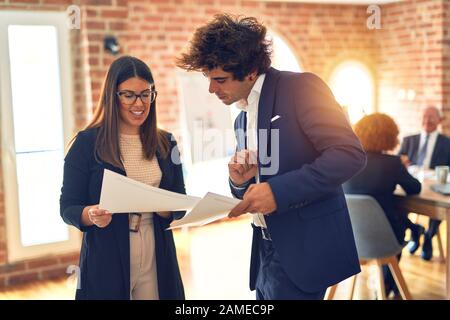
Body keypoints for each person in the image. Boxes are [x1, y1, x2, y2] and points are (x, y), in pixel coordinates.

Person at [176, 14, 366, 300]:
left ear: (251, 71)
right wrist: (240, 181)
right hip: (264, 248)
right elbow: (259, 182)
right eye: (209, 79)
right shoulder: (242, 118)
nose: (211, 89)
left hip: (305, 249)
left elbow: (349, 154)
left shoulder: (301, 88)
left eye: (219, 80)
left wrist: (278, 192)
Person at [60, 56, 185, 300]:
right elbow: (67, 207)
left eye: (146, 94)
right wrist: (91, 214)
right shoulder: (86, 144)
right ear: (112, 96)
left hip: (156, 248)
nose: (139, 103)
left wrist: (164, 207)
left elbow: (179, 201)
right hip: (107, 250)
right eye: (129, 95)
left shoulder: (166, 143)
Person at [343, 113, 421, 298]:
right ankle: (387, 286)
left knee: (397, 219)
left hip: (351, 238)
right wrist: (401, 166)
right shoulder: (392, 163)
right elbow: (414, 188)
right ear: (390, 136)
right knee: (398, 224)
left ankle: (385, 286)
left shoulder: (347, 161)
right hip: (384, 237)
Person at [399, 106, 450, 260]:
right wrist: (402, 161)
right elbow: (397, 161)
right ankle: (415, 232)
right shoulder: (409, 140)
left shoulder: (446, 142)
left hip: (435, 187)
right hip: (412, 185)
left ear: (439, 120)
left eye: (431, 117)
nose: (427, 120)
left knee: (440, 205)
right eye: (424, 117)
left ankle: (428, 236)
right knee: (397, 205)